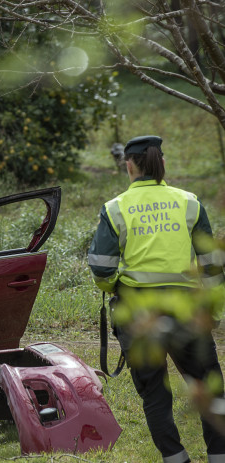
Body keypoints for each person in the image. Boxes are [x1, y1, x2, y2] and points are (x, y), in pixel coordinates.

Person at [88, 135, 225, 463]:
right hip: (187, 311)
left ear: (129, 164)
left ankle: (176, 458)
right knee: (209, 388)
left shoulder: (116, 207)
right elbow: (212, 264)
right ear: (161, 163)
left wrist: (113, 288)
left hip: (138, 314)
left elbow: (102, 267)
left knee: (154, 394)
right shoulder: (189, 202)